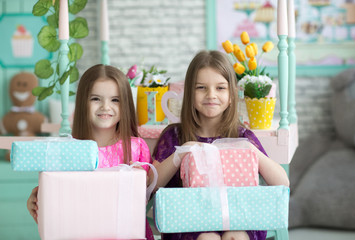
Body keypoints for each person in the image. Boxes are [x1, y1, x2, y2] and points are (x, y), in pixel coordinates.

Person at [150, 50, 290, 240]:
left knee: (237, 236)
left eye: (220, 88)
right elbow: (152, 185)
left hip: (240, 219)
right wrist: (181, 153)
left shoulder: (242, 136)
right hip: (189, 222)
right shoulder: (175, 135)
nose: (211, 95)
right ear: (190, 93)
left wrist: (252, 151)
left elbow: (283, 182)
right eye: (201, 88)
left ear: (231, 95)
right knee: (208, 238)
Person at [26, 64, 154, 240]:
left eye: (115, 100)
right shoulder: (68, 150)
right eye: (96, 99)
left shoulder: (137, 148)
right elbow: (57, 208)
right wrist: (37, 202)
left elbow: (143, 198)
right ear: (82, 102)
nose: (105, 107)